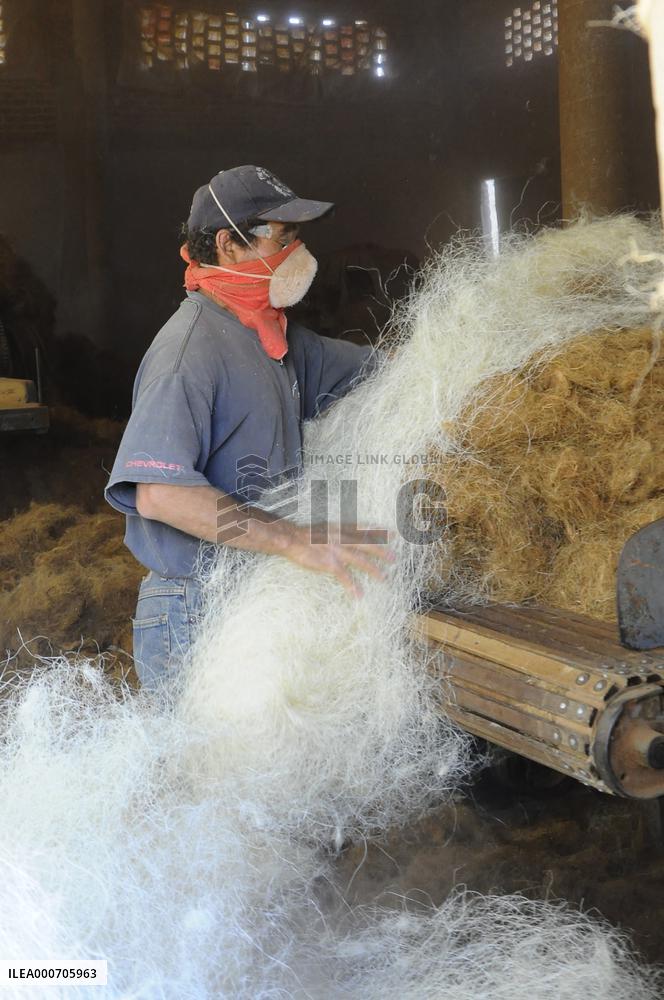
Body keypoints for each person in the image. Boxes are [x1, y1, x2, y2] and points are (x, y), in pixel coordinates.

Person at [105, 165, 392, 687]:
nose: (298, 253)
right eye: (283, 237)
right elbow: (160, 494)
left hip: (252, 597)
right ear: (228, 244)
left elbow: (379, 368)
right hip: (194, 607)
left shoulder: (275, 339)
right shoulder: (188, 352)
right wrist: (293, 540)